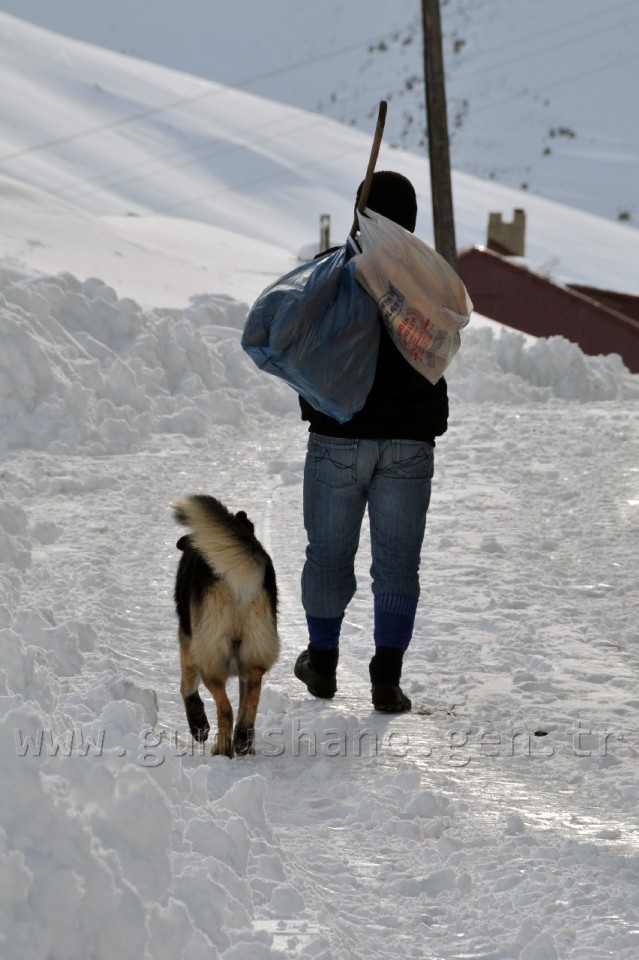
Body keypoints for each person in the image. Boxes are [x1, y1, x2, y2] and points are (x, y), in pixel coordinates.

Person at [294, 170, 449, 713]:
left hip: (339, 436)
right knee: (398, 564)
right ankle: (386, 677)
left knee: (328, 556)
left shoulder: (340, 270)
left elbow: (301, 339)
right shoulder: (428, 278)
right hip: (409, 441)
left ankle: (323, 663)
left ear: (361, 212)